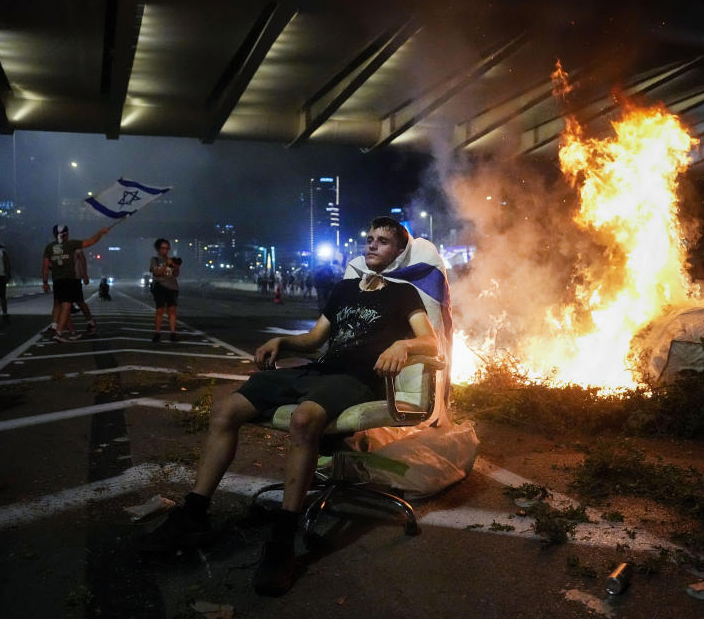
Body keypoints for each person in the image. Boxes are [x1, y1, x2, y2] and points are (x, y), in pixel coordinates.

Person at [142, 216, 439, 596]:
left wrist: (404, 345)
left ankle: (283, 538)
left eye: (382, 241)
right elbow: (315, 339)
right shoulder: (345, 289)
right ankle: (194, 513)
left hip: (357, 380)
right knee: (226, 409)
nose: (371, 245)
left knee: (303, 419)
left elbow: (431, 344)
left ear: (399, 251)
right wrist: (282, 341)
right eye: (368, 239)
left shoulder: (404, 294)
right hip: (319, 370)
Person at [42, 224, 108, 342]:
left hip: (57, 280)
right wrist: (100, 233)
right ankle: (59, 332)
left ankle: (59, 329)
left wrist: (45, 282)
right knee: (68, 305)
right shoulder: (71, 244)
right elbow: (90, 242)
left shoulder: (49, 247)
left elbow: (46, 266)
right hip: (70, 279)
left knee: (59, 304)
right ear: (66, 234)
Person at [149, 238, 180, 342]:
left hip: (172, 287)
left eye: (167, 248)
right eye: (163, 248)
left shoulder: (171, 260)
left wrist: (176, 266)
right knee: (160, 310)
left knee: (172, 310)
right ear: (158, 249)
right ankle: (157, 333)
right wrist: (167, 264)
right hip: (160, 287)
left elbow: (175, 274)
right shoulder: (155, 259)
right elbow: (157, 272)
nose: (165, 250)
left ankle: (173, 333)